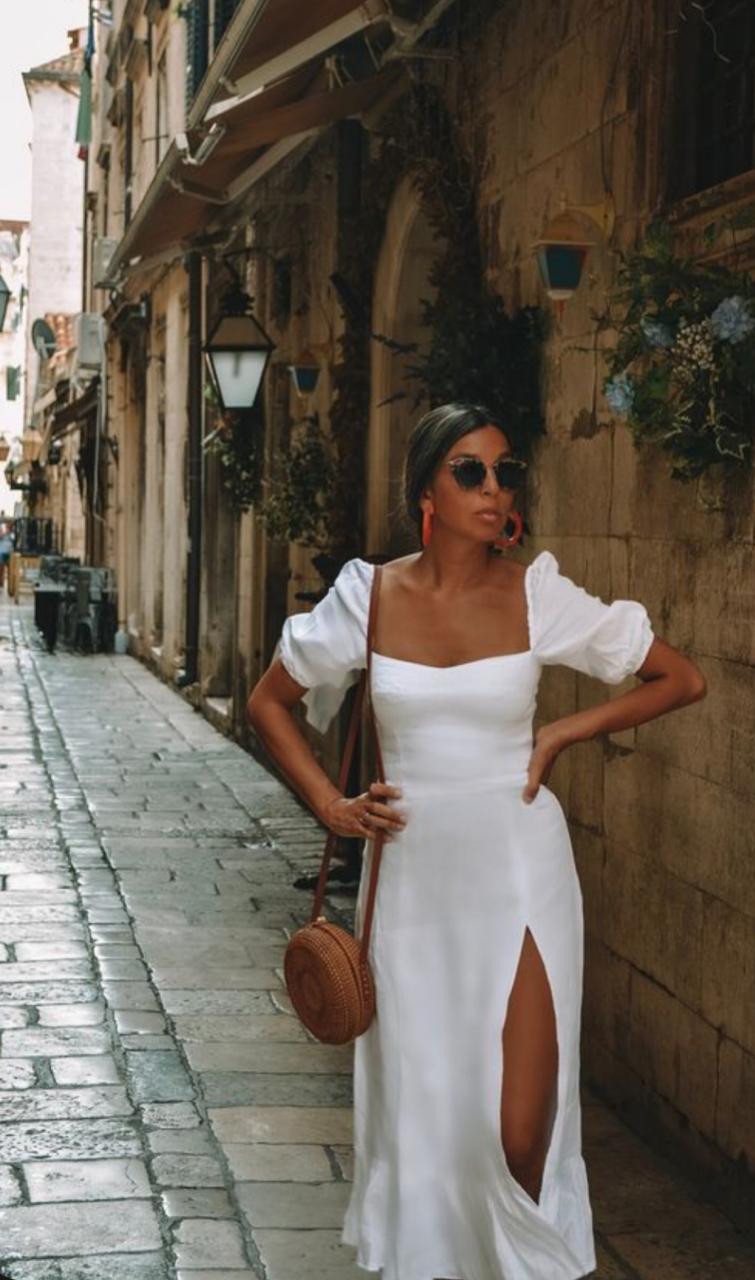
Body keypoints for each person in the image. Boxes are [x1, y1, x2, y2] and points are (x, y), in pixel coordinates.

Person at [246, 402, 707, 1280]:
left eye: (505, 472)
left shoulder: (537, 595)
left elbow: (677, 678)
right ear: (426, 491)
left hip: (521, 866)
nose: (494, 489)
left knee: (522, 1128)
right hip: (412, 880)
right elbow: (269, 701)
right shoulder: (367, 597)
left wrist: (564, 732)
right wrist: (331, 806)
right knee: (431, 1110)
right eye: (470, 471)